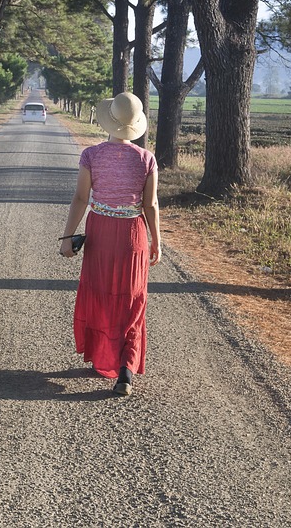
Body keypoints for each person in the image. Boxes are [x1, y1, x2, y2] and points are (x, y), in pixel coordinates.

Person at [59, 91, 161, 396]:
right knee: (131, 299)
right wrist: (157, 240)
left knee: (102, 294)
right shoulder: (146, 159)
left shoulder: (91, 155)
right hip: (133, 235)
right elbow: (151, 205)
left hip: (101, 231)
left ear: (109, 121)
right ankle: (125, 369)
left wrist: (67, 237)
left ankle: (104, 356)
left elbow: (81, 198)